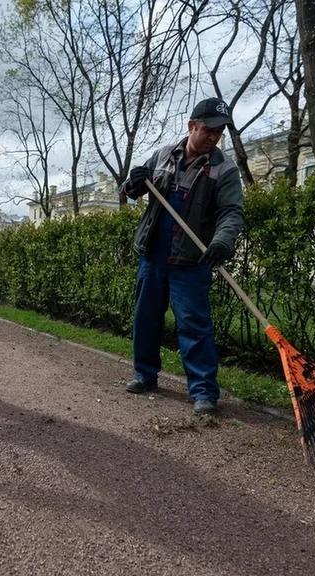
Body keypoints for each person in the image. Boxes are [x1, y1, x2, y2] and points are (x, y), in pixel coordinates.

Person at [119, 97, 245, 415]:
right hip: (153, 256)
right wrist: (132, 184)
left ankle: (204, 391)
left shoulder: (224, 169)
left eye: (220, 132)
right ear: (192, 126)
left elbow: (231, 213)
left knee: (194, 325)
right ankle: (145, 375)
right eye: (209, 130)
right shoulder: (163, 155)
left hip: (192, 261)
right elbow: (131, 189)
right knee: (145, 319)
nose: (214, 137)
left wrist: (222, 243)